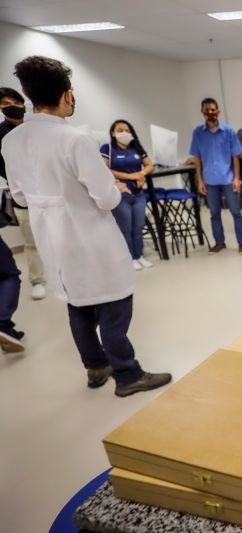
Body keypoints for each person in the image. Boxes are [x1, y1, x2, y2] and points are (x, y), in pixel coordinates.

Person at [2, 56, 171, 396]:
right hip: (89, 236)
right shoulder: (75, 140)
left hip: (51, 237)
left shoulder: (12, 141)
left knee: (77, 303)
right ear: (67, 95)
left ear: (27, 93)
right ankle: (127, 375)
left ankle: (95, 367)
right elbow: (106, 199)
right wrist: (111, 188)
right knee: (114, 302)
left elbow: (19, 197)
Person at [0, 86, 47, 301]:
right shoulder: (1, 135)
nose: (10, 107)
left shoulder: (38, 126)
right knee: (32, 241)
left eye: (14, 102)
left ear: (22, 102)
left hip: (51, 191)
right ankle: (37, 280)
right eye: (4, 105)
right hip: (24, 196)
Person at [190, 98, 242, 255]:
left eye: (213, 110)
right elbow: (197, 158)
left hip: (228, 179)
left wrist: (236, 178)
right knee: (214, 213)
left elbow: (236, 156)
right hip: (209, 180)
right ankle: (219, 242)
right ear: (202, 112)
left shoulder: (228, 131)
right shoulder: (198, 133)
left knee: (236, 211)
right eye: (207, 110)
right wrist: (200, 180)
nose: (210, 112)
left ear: (218, 111)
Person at [101, 119, 154, 270]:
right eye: (120, 130)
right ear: (113, 133)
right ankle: (130, 258)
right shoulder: (108, 149)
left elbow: (150, 165)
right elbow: (104, 169)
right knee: (126, 228)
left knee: (138, 227)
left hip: (138, 195)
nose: (124, 133)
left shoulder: (136, 148)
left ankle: (139, 256)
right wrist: (132, 177)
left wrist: (142, 173)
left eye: (127, 130)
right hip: (120, 195)